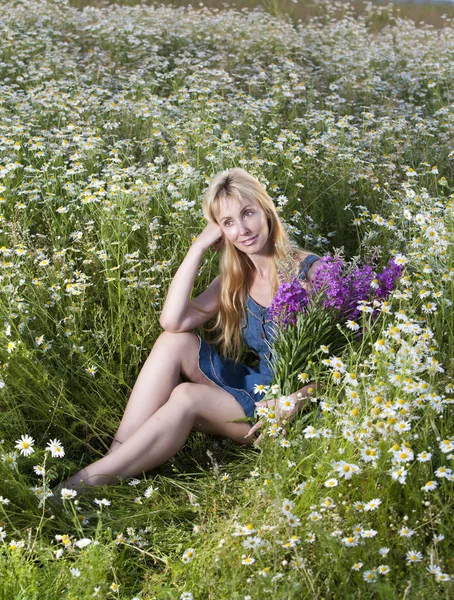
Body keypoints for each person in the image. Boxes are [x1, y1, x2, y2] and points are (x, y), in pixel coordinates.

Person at [59, 168, 320, 489]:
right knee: (173, 341)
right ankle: (118, 459)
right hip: (261, 387)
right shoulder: (236, 279)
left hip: (294, 407)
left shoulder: (311, 272)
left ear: (266, 210)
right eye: (228, 223)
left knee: (185, 397)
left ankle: (82, 486)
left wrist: (297, 399)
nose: (243, 230)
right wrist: (197, 247)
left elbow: (352, 352)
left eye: (248, 213)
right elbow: (173, 322)